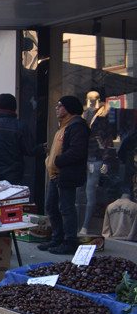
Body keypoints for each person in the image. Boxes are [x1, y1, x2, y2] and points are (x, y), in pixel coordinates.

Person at [40, 95, 90, 255]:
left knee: (66, 208)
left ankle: (69, 242)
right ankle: (57, 238)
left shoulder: (77, 126)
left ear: (68, 108)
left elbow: (77, 151)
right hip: (55, 175)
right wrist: (50, 161)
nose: (56, 108)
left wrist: (58, 161)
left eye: (60, 105)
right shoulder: (63, 126)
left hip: (66, 174)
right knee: (51, 207)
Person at [0, 93, 42, 185]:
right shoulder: (20, 126)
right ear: (14, 108)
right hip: (11, 176)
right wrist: (42, 147)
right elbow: (30, 150)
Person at [80, 90, 117, 235]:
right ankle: (78, 225)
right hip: (82, 156)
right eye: (89, 98)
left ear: (99, 99)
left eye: (94, 99)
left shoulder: (104, 114)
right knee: (79, 192)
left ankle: (85, 225)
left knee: (91, 191)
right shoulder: (83, 113)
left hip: (95, 158)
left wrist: (105, 160)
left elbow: (109, 137)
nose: (92, 101)